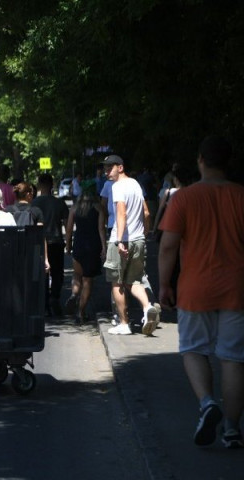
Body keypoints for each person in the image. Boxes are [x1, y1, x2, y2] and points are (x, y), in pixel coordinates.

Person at [158, 135, 244, 449]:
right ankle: (232, 430)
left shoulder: (184, 198)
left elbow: (168, 246)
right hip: (236, 288)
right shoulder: (240, 195)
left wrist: (164, 284)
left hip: (195, 287)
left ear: (201, 161)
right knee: (234, 359)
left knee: (194, 349)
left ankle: (208, 403)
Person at [102, 155, 161, 336]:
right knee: (134, 281)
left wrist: (119, 240)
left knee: (117, 282)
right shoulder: (135, 184)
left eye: (110, 167)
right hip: (138, 239)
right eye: (105, 168)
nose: (106, 171)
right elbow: (146, 212)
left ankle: (124, 323)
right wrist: (145, 233)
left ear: (120, 168)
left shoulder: (118, 186)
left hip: (121, 240)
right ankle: (147, 307)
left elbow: (121, 214)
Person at [64, 187, 105, 324]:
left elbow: (69, 230)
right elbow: (101, 230)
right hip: (93, 246)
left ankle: (74, 294)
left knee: (76, 274)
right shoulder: (98, 208)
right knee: (88, 280)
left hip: (79, 245)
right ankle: (80, 312)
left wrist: (68, 245)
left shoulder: (74, 209)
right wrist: (104, 248)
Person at [33, 174, 70, 315]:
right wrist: (69, 242)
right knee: (57, 273)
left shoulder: (34, 203)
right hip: (56, 241)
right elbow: (67, 225)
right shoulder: (59, 203)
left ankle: (44, 302)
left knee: (42, 273)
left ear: (39, 184)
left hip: (39, 243)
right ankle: (55, 297)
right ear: (52, 184)